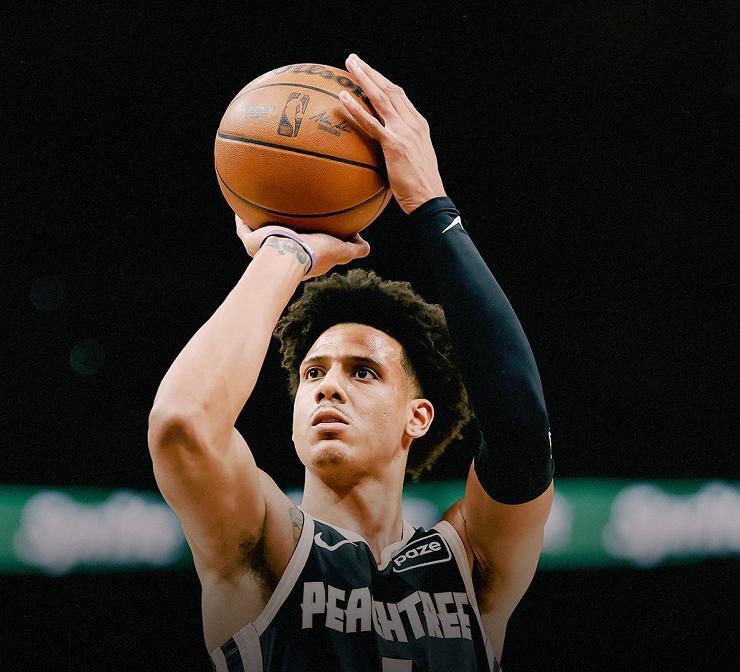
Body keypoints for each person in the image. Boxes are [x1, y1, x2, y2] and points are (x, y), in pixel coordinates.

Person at [148, 53, 554, 672]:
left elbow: (521, 427)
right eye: (313, 373)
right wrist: (284, 254)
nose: (327, 387)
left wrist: (433, 206)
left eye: (363, 371)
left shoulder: (470, 567)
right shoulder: (265, 549)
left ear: (418, 416)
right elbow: (182, 424)